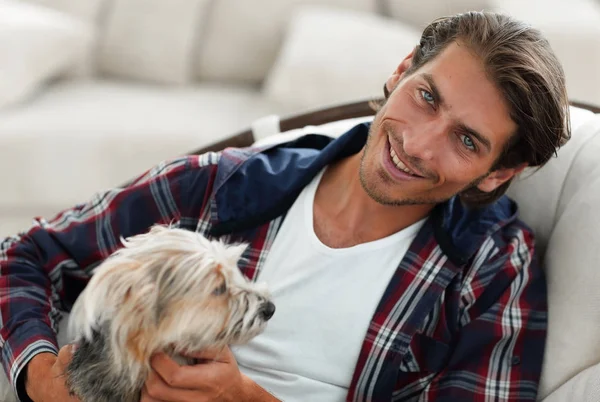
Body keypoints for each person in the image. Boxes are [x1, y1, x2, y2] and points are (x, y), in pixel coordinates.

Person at [0, 10, 571, 402]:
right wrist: (41, 377)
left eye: (466, 140)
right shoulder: (226, 185)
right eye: (426, 97)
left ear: (498, 173)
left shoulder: (492, 270)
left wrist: (246, 397)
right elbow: (21, 257)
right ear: (400, 72)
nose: (418, 144)